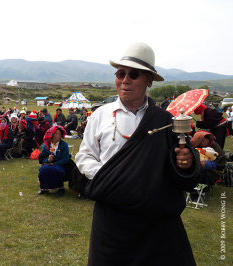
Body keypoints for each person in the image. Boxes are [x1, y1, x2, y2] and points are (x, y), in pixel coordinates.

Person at [75, 42, 200, 265]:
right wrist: (112, 178)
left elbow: (179, 168)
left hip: (155, 223)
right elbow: (85, 156)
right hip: (111, 219)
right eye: (120, 73)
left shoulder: (163, 121)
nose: (125, 80)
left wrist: (185, 162)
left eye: (133, 75)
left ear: (148, 81)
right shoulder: (100, 116)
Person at [38, 126, 70, 196]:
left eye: (59, 134)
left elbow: (66, 158)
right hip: (48, 164)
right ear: (51, 134)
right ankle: (44, 188)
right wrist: (48, 159)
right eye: (56, 134)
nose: (58, 136)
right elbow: (42, 158)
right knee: (43, 170)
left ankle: (60, 188)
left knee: (57, 170)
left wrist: (54, 163)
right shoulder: (46, 145)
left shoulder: (64, 145)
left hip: (60, 164)